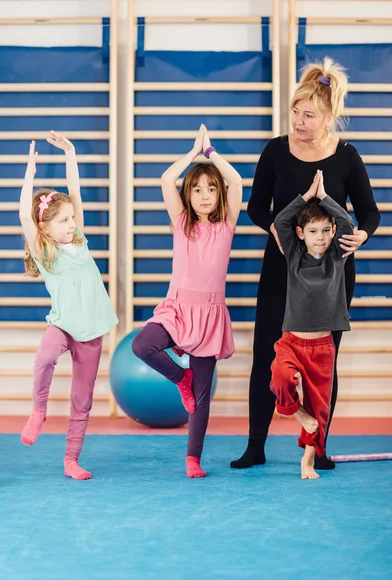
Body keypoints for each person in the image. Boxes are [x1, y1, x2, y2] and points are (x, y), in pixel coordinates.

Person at [231, 57, 380, 470]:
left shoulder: (346, 156)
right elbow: (257, 207)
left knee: (322, 364)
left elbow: (370, 213)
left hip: (331, 277)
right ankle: (255, 445)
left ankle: (321, 447)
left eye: (308, 115)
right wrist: (278, 233)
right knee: (267, 356)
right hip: (281, 269)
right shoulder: (276, 151)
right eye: (294, 112)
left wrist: (362, 235)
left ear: (327, 115)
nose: (298, 120)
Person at [132, 124, 242, 478]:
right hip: (177, 308)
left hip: (209, 314)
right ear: (188, 196)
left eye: (211, 188)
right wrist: (193, 154)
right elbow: (166, 179)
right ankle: (180, 377)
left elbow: (237, 182)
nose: (205, 194)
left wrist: (212, 155)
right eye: (197, 189)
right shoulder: (181, 222)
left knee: (202, 394)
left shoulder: (226, 225)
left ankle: (193, 458)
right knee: (142, 345)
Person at [20, 132, 118, 480]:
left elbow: (74, 193)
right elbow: (23, 215)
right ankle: (38, 412)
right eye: (63, 221)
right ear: (44, 228)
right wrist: (30, 174)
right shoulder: (45, 252)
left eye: (72, 218)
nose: (72, 224)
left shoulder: (79, 240)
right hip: (63, 324)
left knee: (83, 399)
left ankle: (71, 460)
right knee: (44, 357)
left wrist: (71, 154)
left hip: (92, 329)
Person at [270, 169, 353, 479]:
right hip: (292, 340)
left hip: (322, 347)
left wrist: (326, 198)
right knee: (280, 378)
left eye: (325, 231)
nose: (320, 237)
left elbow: (346, 223)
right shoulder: (293, 254)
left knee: (320, 410)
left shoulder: (337, 255)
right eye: (313, 231)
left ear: (332, 233)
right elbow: (280, 222)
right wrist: (308, 196)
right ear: (302, 233)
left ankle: (307, 460)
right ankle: (293, 409)